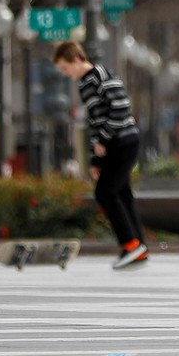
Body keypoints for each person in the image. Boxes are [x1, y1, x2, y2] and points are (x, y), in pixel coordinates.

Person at [53, 41, 148, 270]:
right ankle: (138, 247)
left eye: (66, 68)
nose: (66, 74)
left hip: (124, 140)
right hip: (114, 143)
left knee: (105, 192)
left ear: (76, 59)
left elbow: (120, 107)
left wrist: (104, 139)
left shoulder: (101, 75)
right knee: (122, 194)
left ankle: (132, 244)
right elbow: (95, 123)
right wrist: (97, 160)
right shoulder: (84, 84)